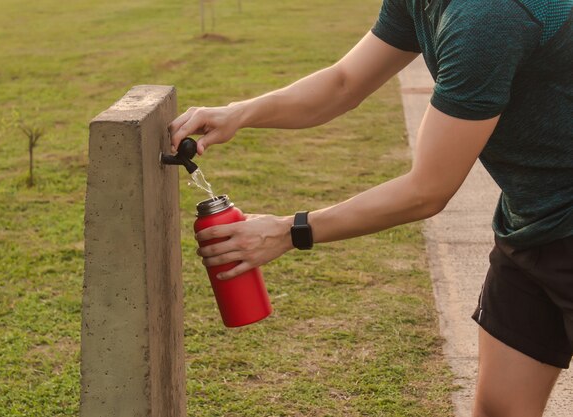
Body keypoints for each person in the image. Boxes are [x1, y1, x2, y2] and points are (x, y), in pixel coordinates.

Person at [168, 0, 573, 415]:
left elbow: (428, 189)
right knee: (500, 410)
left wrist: (290, 230)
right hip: (533, 223)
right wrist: (240, 113)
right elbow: (344, 82)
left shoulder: (488, 17)